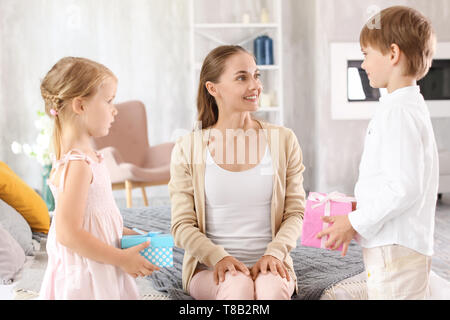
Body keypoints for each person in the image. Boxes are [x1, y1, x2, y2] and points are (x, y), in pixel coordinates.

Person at [316, 6, 438, 299]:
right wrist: (360, 206)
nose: (363, 63)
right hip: (394, 246)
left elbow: (403, 187)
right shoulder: (404, 106)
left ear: (393, 54)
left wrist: (354, 222)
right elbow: (392, 178)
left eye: (366, 53)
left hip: (395, 250)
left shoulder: (398, 112)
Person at [169, 45, 306, 300]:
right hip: (210, 269)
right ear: (213, 88)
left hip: (272, 264)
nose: (255, 85)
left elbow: (296, 212)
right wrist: (219, 257)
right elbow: (181, 225)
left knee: (272, 291)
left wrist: (275, 253)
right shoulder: (188, 148)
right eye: (242, 77)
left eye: (257, 75)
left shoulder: (283, 140)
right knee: (237, 287)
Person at [39, 57, 159, 299]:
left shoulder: (87, 159)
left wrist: (132, 235)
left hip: (98, 266)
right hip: (87, 276)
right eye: (109, 100)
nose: (115, 109)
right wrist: (122, 259)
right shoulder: (79, 164)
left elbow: (93, 221)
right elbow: (67, 233)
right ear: (80, 106)